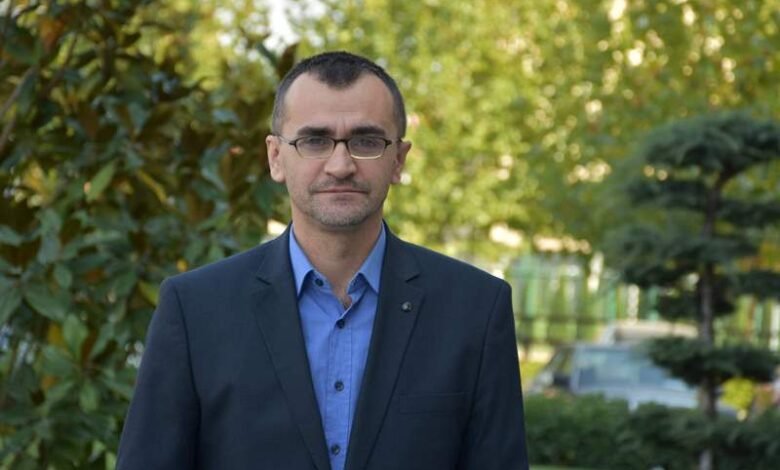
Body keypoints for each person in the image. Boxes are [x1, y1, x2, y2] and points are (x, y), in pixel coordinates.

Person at [117, 51, 528, 470]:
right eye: (314, 141)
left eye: (366, 141)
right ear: (276, 157)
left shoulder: (475, 309)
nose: (341, 165)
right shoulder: (195, 309)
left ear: (399, 160)